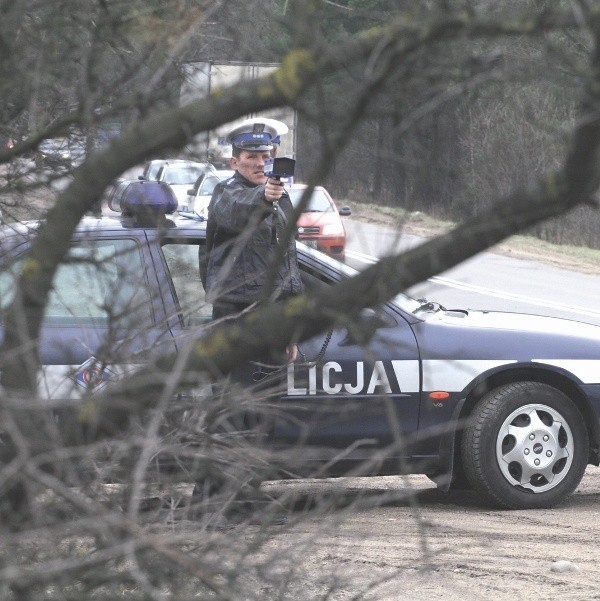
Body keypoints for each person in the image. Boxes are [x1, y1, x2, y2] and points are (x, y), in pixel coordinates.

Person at [202, 117, 303, 363]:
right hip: (237, 321)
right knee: (238, 399)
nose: (260, 164)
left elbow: (288, 266)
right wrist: (264, 198)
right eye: (252, 157)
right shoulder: (225, 193)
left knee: (271, 399)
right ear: (234, 162)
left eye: (266, 157)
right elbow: (236, 210)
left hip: (273, 321)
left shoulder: (281, 197)